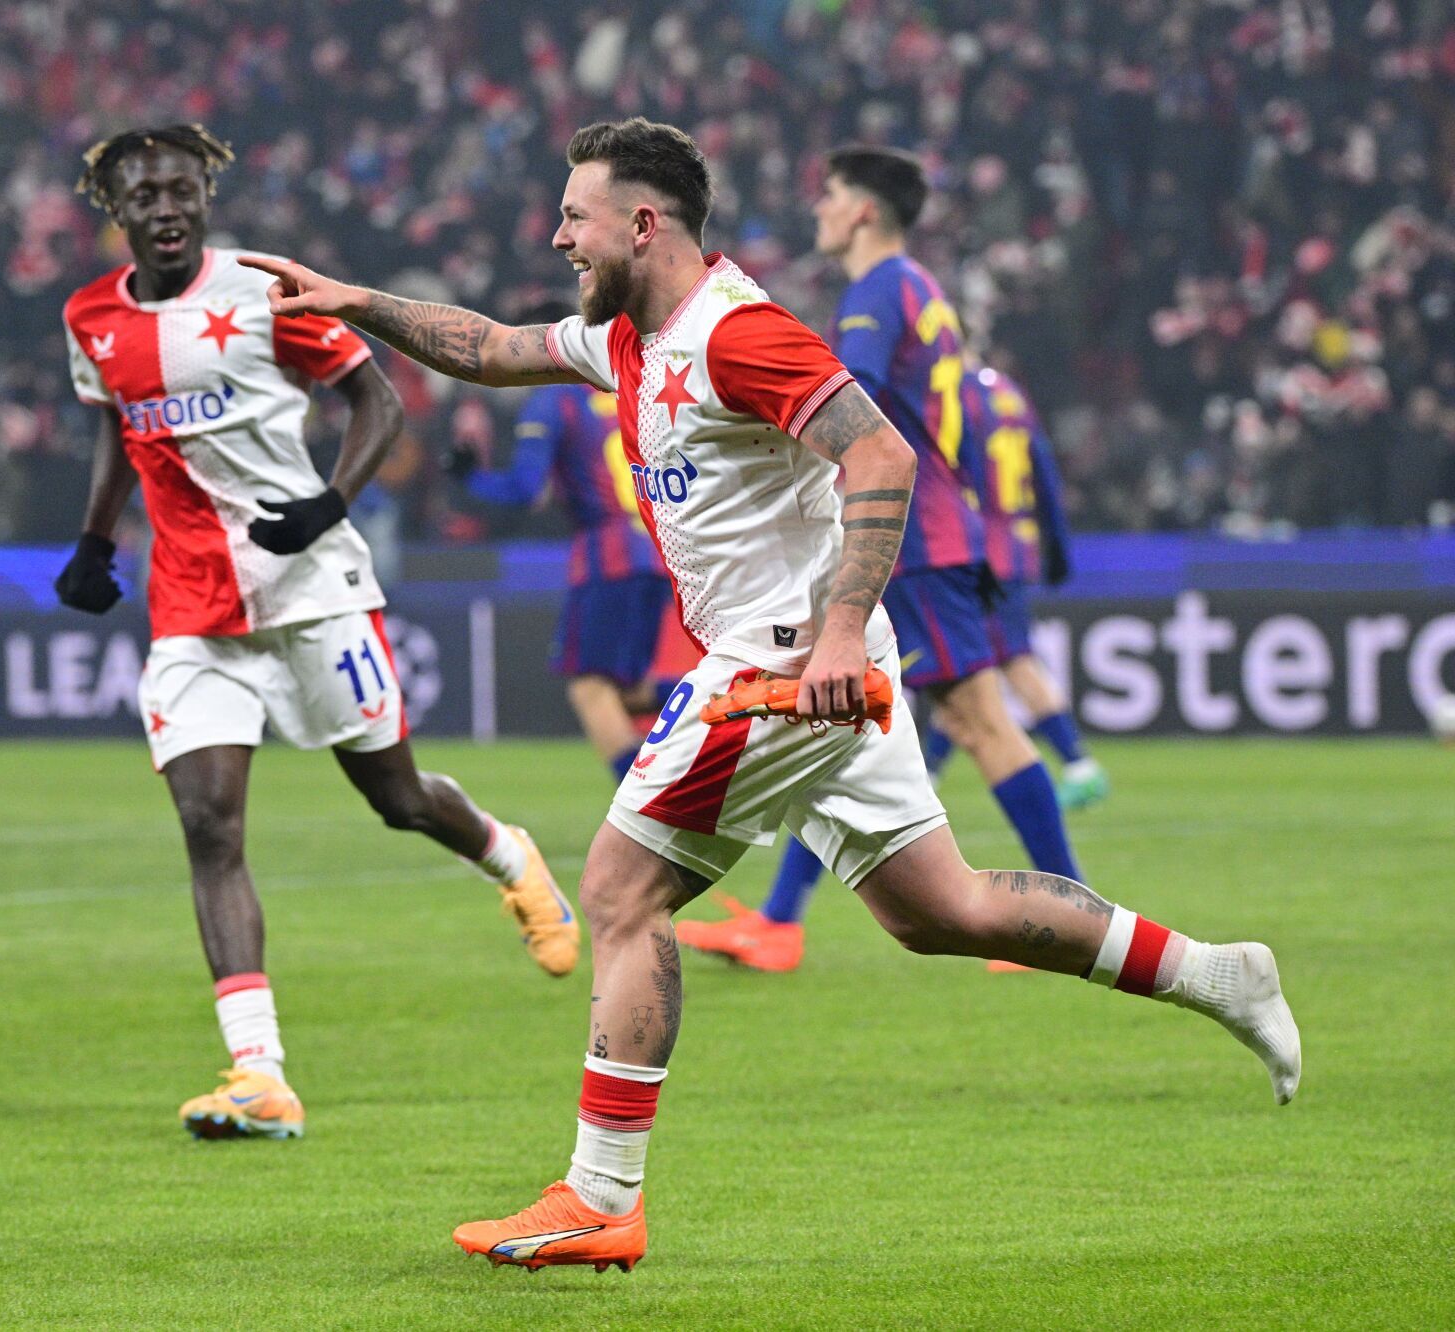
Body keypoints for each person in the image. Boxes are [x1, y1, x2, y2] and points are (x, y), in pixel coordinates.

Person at [242, 117, 1299, 1270]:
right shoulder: (628, 338)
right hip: (812, 657)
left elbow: (880, 454)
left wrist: (837, 630)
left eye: (574, 218)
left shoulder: (735, 333)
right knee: (939, 911)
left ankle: (599, 1197)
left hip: (785, 659)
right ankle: (1214, 973)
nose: (556, 239)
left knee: (618, 892)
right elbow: (491, 347)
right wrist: (355, 301)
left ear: (641, 224)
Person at [52, 125, 577, 1143]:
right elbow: (113, 423)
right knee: (210, 827)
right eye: (142, 195)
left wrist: (329, 505)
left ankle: (506, 856)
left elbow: (376, 401)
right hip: (191, 608)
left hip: (310, 588)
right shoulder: (89, 318)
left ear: (205, 195)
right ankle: (260, 1075)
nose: (165, 208)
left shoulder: (260, 291)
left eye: (180, 189)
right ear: (113, 210)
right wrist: (93, 541)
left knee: (396, 799)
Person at [676, 147, 1086, 973]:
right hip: (932, 531)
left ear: (864, 209)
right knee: (844, 726)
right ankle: (780, 921)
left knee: (974, 722)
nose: (819, 208)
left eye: (830, 194)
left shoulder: (876, 293)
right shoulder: (922, 289)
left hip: (914, 540)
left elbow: (842, 400)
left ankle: (1068, 915)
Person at [455, 299, 675, 783]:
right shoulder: (628, 383)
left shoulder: (554, 400)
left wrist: (471, 479)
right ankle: (720, 695)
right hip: (658, 555)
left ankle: (645, 806)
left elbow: (526, 490)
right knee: (630, 690)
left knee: (589, 687)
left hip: (607, 560)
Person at [954, 361, 1108, 809]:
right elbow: (1045, 474)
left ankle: (1079, 764)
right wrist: (1056, 548)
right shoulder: (1010, 394)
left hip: (982, 550)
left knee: (1005, 661)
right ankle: (927, 771)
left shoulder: (956, 395)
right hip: (1018, 544)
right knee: (971, 665)